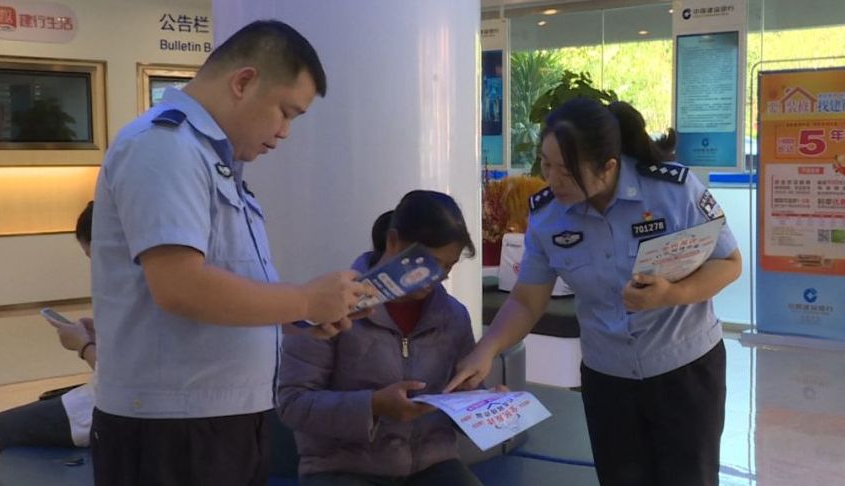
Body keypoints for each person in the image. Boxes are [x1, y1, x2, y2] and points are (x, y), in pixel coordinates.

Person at [90, 20, 375, 486]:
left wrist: (302, 314)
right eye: (285, 112)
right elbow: (180, 287)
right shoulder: (164, 147)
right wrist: (304, 299)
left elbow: (222, 284)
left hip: (222, 418)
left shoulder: (211, 159)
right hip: (172, 428)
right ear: (243, 82)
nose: (285, 132)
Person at [446, 99, 742, 486]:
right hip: (608, 378)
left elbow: (729, 262)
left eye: (567, 172)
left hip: (684, 370)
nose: (553, 180)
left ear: (609, 167)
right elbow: (527, 300)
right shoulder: (548, 216)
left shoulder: (672, 191)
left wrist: (670, 293)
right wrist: (486, 349)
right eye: (546, 165)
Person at [277, 190, 483, 486]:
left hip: (433, 465)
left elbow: (463, 393)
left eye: (447, 267)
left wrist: (487, 405)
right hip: (343, 466)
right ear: (393, 242)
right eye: (428, 263)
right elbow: (292, 404)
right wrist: (372, 406)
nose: (436, 277)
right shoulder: (330, 303)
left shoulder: (453, 316)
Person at [0, 202, 96, 486]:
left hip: (109, 407)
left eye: (93, 256)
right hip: (105, 398)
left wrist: (83, 347)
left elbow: (127, 379)